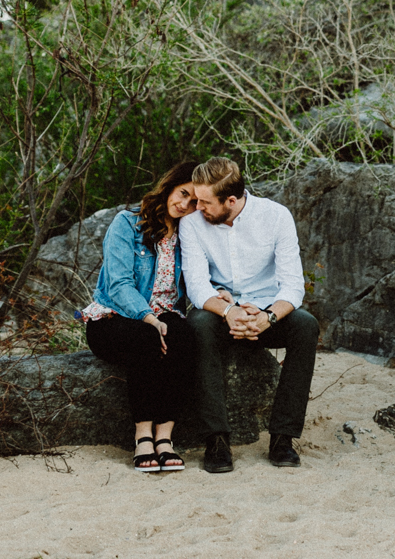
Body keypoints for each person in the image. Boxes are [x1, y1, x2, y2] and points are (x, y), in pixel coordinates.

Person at [179, 157, 319, 472]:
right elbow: (197, 286)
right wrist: (229, 311)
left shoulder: (276, 216)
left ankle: (283, 438)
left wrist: (267, 317)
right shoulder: (192, 224)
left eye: (205, 202)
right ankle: (216, 440)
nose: (197, 207)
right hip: (220, 309)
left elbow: (293, 286)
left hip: (267, 311)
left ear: (231, 200)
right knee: (197, 325)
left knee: (306, 326)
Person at [81, 160, 200, 473]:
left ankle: (165, 437)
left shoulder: (190, 235)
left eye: (193, 202)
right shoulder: (127, 222)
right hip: (114, 317)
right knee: (147, 337)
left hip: (165, 316)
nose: (185, 204)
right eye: (183, 193)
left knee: (186, 337)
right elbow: (118, 284)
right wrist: (148, 317)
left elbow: (201, 278)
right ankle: (142, 436)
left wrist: (225, 293)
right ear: (170, 185)